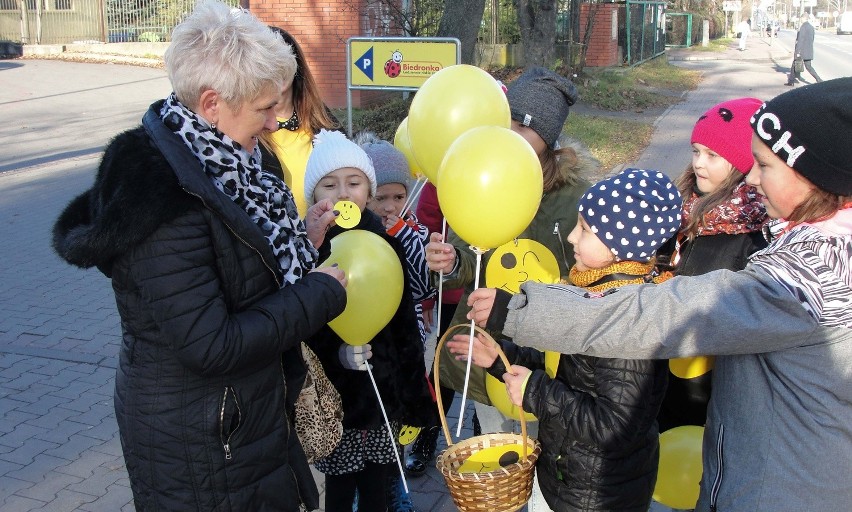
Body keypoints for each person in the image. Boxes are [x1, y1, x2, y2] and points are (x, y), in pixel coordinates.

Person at [465, 78, 852, 511]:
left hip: (778, 493)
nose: (752, 177)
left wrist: (518, 309)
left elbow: (664, 316)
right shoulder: (802, 242)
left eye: (764, 165)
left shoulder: (811, 275)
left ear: (813, 174)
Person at [51, 2, 348, 510]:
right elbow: (210, 343)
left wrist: (301, 241)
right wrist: (321, 293)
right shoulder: (161, 199)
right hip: (203, 445)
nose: (278, 120)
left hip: (245, 419)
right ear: (212, 103)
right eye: (265, 107)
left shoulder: (237, 158)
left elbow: (243, 261)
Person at [448, 168, 681, 511]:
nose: (572, 237)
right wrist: (499, 359)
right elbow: (566, 369)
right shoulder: (597, 294)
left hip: (598, 494)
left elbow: (614, 424)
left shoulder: (631, 321)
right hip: (569, 477)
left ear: (620, 247)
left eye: (585, 230)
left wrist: (533, 391)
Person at [425, 66, 599, 511]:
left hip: (544, 357)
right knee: (494, 458)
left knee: (539, 454)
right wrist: (451, 261)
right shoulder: (486, 170)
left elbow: (588, 274)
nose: (514, 135)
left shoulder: (575, 197)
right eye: (509, 124)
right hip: (486, 347)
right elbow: (470, 257)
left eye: (525, 127)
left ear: (549, 138)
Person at [303, 129, 433, 512]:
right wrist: (337, 354)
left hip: (382, 394)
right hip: (337, 398)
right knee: (340, 489)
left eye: (354, 183)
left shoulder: (386, 243)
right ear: (314, 196)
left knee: (378, 484)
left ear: (368, 192)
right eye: (330, 184)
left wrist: (415, 396)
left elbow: (404, 322)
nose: (343, 194)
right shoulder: (309, 248)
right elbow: (304, 324)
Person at [655, 97, 768, 431]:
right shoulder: (682, 212)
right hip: (665, 369)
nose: (699, 164)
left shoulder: (750, 235)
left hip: (706, 391)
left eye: (713, 155)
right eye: (695, 151)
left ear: (742, 162)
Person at [357, 131, 432, 512]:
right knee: (367, 424)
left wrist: (403, 237)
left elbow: (422, 286)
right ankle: (365, 492)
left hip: (405, 348)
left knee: (397, 423)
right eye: (380, 197)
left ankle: (398, 491)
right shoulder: (355, 236)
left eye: (398, 197)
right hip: (368, 347)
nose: (389, 206)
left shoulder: (414, 232)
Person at [260, 26, 341, 217]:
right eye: (266, 60)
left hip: (327, 241)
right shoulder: (244, 132)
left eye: (281, 59)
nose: (274, 68)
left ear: (295, 64)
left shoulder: (324, 122)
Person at [786, 13, 822, 86]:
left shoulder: (803, 27)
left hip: (802, 51)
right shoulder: (811, 27)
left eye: (801, 18)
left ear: (803, 18)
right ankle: (819, 80)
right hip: (809, 50)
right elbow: (812, 39)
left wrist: (797, 51)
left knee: (794, 65)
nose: (800, 20)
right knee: (809, 67)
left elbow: (800, 40)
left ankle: (791, 81)